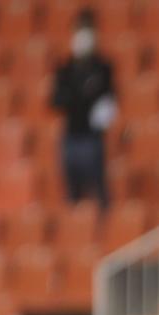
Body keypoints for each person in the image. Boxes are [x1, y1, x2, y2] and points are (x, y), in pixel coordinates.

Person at [50, 13, 116, 210]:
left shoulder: (103, 68)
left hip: (93, 138)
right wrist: (81, 95)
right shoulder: (65, 69)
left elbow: (110, 98)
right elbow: (56, 101)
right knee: (72, 195)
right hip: (71, 137)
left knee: (99, 191)